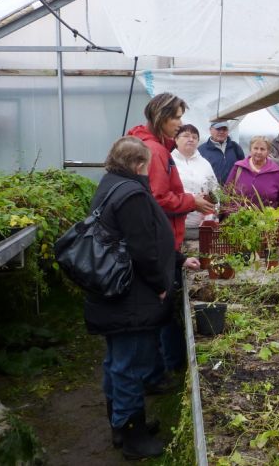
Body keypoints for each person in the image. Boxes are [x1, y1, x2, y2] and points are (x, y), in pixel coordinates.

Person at [84, 137, 193, 459]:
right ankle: (133, 437)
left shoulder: (111, 185)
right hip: (131, 296)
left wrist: (175, 260)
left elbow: (141, 240)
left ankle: (121, 424)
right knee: (131, 363)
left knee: (117, 361)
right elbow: (143, 248)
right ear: (139, 164)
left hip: (114, 292)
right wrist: (161, 281)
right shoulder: (131, 194)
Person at [128, 93, 211, 387]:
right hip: (160, 240)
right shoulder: (157, 152)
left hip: (162, 241)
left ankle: (157, 370)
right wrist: (191, 201)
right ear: (161, 117)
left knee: (157, 311)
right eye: (175, 117)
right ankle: (155, 374)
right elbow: (157, 199)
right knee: (157, 311)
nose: (180, 124)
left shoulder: (151, 147)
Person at [171, 124, 219, 229]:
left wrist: (213, 212)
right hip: (173, 224)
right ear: (176, 139)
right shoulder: (169, 161)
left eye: (194, 137)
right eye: (186, 136)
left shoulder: (205, 164)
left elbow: (215, 190)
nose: (191, 139)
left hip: (201, 227)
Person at [226, 135, 279, 208]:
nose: (259, 152)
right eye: (255, 148)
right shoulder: (239, 167)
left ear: (268, 152)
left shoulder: (276, 171)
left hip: (267, 218)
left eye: (262, 149)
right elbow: (227, 193)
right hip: (240, 217)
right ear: (250, 149)